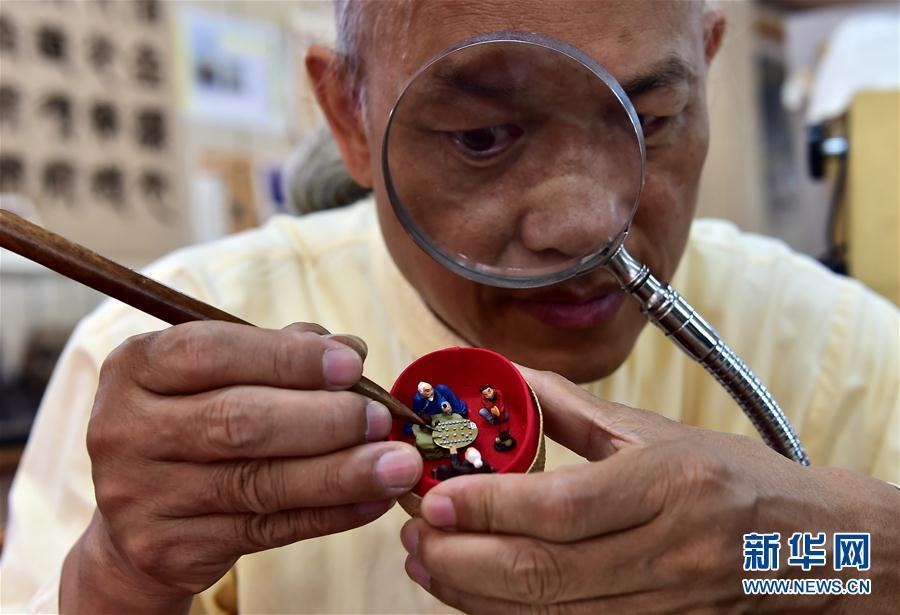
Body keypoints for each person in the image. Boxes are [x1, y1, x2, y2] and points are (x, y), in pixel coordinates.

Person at [1, 1, 897, 613]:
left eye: (649, 119)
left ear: (706, 63)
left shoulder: (837, 349)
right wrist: (117, 576)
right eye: (480, 138)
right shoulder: (164, 362)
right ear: (350, 116)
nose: (584, 222)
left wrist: (802, 559)